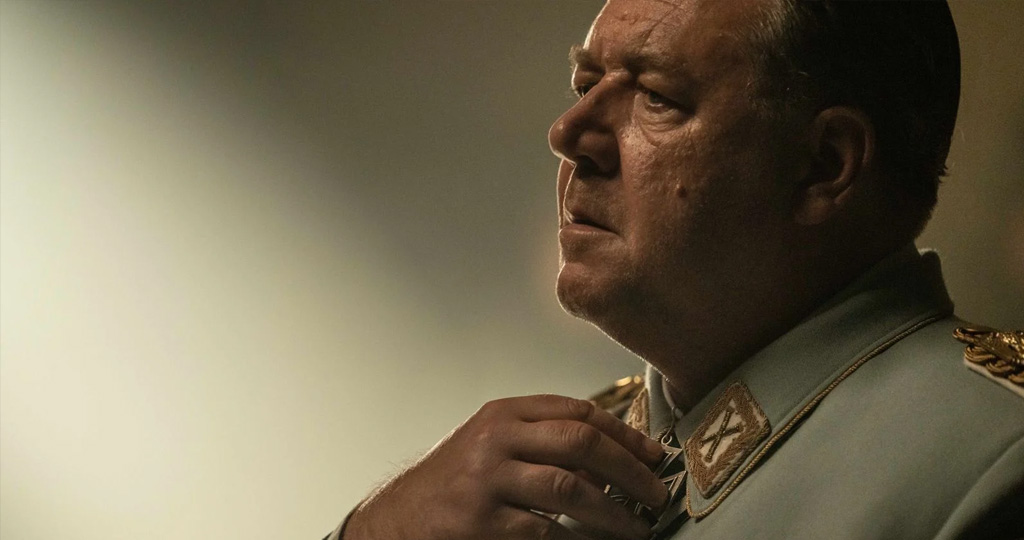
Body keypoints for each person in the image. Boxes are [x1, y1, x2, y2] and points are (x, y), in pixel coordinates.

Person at [325, 0, 1024, 538]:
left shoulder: (995, 460)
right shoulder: (569, 456)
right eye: (586, 83)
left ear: (823, 166)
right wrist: (378, 530)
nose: (569, 133)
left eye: (656, 96)